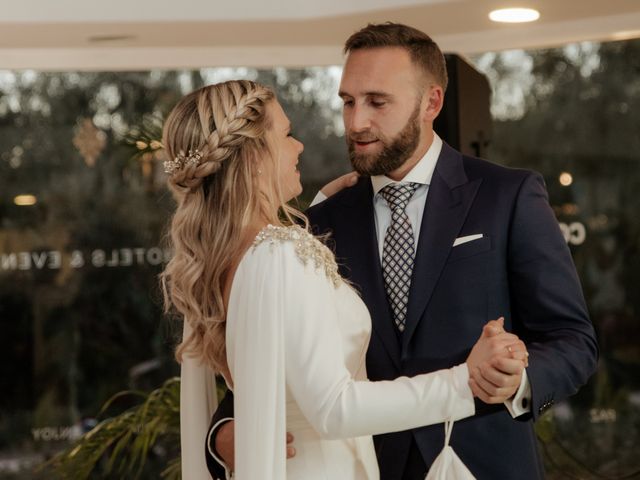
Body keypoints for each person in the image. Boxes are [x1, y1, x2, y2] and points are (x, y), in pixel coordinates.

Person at [207, 23, 599, 479]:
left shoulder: (507, 195)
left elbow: (573, 339)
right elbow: (281, 354)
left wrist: (520, 383)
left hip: (484, 464)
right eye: (348, 102)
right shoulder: (317, 223)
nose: (356, 123)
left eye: (377, 102)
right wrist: (224, 432)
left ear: (430, 102)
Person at [161, 79, 528, 480]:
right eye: (286, 134)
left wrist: (316, 215)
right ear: (254, 158)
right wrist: (464, 380)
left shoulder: (230, 259)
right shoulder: (280, 255)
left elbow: (277, 346)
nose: (299, 146)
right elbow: (335, 408)